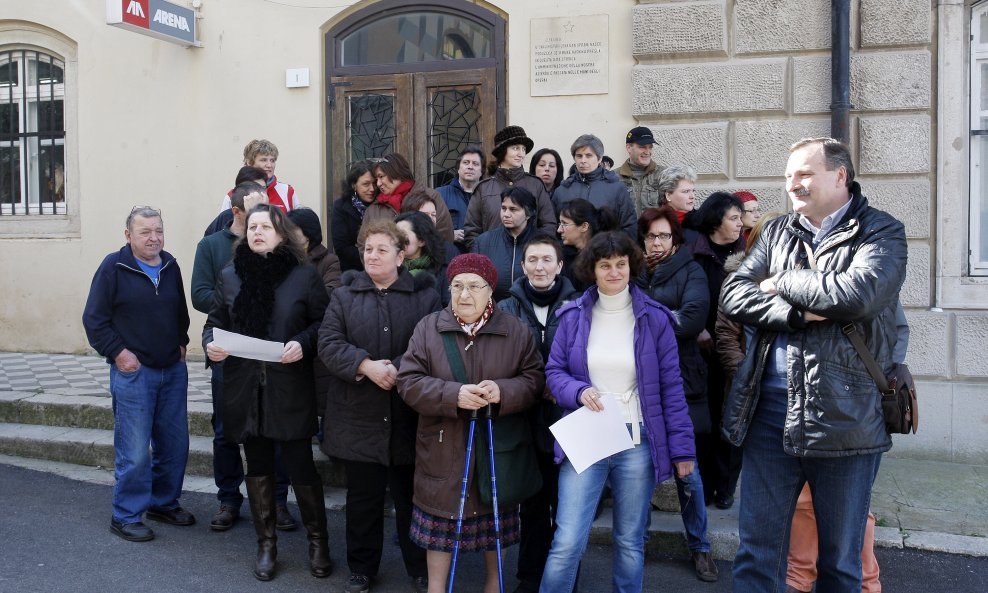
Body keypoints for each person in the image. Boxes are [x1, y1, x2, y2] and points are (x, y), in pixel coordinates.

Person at [720, 137, 907, 593]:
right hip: (768, 414)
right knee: (756, 556)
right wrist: (798, 311)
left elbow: (858, 296)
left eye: (804, 174)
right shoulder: (779, 231)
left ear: (840, 175)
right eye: (788, 176)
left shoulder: (881, 232)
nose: (793, 185)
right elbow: (734, 294)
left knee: (839, 564)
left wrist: (780, 281)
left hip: (847, 416)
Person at [539, 231, 696, 593]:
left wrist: (683, 449)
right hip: (588, 437)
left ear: (631, 266)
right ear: (591, 270)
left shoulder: (655, 319)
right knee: (567, 541)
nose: (613, 272)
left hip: (637, 440)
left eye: (620, 264)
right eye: (605, 265)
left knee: (629, 541)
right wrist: (577, 391)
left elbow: (672, 387)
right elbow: (554, 372)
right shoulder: (573, 315)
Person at [397, 253, 544, 593]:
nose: (465, 295)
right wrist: (453, 395)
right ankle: (436, 589)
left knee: (497, 524)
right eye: (457, 286)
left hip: (497, 447)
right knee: (439, 522)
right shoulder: (429, 328)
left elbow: (534, 379)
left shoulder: (515, 331)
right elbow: (408, 380)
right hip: (443, 445)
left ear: (491, 291)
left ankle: (495, 586)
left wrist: (502, 391)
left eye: (474, 287)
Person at [203, 204, 332, 581]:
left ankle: (318, 542)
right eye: (253, 226)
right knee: (257, 466)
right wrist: (212, 345)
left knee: (300, 465)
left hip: (289, 385)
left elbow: (323, 323)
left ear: (282, 234)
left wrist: (303, 343)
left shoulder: (304, 275)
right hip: (246, 387)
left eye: (266, 226)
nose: (258, 232)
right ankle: (266, 545)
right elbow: (214, 325)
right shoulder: (230, 276)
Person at [318, 219, 441, 593]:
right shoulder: (345, 295)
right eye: (368, 249)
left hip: (409, 414)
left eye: (382, 249)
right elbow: (328, 343)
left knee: (412, 500)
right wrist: (364, 365)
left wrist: (400, 369)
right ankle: (362, 569)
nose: (373, 256)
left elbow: (432, 343)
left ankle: (419, 568)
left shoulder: (425, 294)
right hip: (359, 415)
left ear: (401, 256)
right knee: (363, 500)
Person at [82, 206, 192, 542]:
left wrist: (182, 343)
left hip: (171, 370)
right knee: (134, 450)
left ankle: (162, 502)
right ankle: (126, 515)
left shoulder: (170, 265)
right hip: (135, 373)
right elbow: (94, 320)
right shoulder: (113, 267)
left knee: (175, 444)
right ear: (128, 235)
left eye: (158, 230)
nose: (154, 238)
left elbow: (180, 312)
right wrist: (118, 352)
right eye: (145, 232)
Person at [635, 206, 718, 582]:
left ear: (675, 239)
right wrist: (667, 316)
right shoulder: (634, 272)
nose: (656, 242)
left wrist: (649, 319)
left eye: (663, 235)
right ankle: (637, 541)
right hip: (637, 381)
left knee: (688, 469)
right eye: (651, 236)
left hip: (681, 379)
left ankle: (700, 547)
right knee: (638, 468)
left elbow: (694, 319)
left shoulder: (691, 271)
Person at [496, 234, 580, 593]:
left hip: (570, 419)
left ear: (560, 265)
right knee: (531, 506)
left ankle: (565, 580)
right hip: (525, 419)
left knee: (568, 509)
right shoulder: (506, 307)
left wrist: (559, 385)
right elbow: (500, 359)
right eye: (533, 260)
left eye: (547, 259)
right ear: (522, 265)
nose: (540, 267)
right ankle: (529, 577)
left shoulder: (579, 304)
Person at [192, 182, 270, 532]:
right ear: (237, 211)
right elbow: (200, 294)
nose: (262, 221)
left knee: (270, 429)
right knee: (225, 431)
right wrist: (236, 307)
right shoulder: (211, 246)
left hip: (267, 357)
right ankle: (228, 498)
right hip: (228, 355)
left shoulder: (273, 243)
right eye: (255, 211)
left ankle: (275, 501)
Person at [683, 191, 746, 510]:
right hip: (699, 351)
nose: (740, 223)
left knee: (732, 420)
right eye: (734, 218)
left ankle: (725, 486)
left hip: (734, 351)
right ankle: (703, 485)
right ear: (716, 220)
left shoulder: (747, 254)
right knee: (703, 423)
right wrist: (697, 329)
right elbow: (682, 300)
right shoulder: (693, 252)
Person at [464, 125, 557, 248]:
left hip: (529, 260)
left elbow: (548, 224)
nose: (521, 154)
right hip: (492, 260)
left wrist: (537, 251)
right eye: (515, 148)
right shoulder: (483, 188)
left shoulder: (535, 185)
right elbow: (472, 230)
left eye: (523, 149)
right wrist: (482, 256)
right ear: (502, 151)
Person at [551, 133, 637, 238]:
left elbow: (629, 226)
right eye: (579, 156)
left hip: (605, 251)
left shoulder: (617, 189)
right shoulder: (563, 190)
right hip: (569, 251)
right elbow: (553, 227)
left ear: (600, 158)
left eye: (588, 155)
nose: (583, 160)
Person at [364, 153, 455, 242]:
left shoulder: (431, 196)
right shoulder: (374, 209)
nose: (378, 184)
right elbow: (363, 244)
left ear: (397, 173)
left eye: (381, 176)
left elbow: (445, 235)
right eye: (376, 179)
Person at [471, 187, 539, 301]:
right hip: (494, 311)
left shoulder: (544, 243)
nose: (506, 214)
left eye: (513, 209)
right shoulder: (483, 242)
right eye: (503, 208)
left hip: (532, 310)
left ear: (528, 214)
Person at [556, 198, 619, 293]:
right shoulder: (561, 254)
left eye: (565, 224)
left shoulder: (606, 255)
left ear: (584, 226)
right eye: (560, 223)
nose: (559, 230)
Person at [220, 139, 299, 212]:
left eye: (272, 160)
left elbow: (299, 224)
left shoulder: (287, 191)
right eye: (263, 160)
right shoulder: (232, 196)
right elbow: (224, 226)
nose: (269, 165)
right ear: (249, 163)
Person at [396, 211, 454, 306]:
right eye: (393, 234)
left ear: (422, 241)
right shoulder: (388, 269)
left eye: (402, 234)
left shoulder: (443, 274)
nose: (396, 239)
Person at [332, 159, 377, 272]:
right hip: (353, 272)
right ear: (354, 185)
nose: (372, 189)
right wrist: (371, 257)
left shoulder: (383, 204)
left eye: (374, 183)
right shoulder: (341, 206)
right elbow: (341, 248)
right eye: (366, 184)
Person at [436, 147, 485, 245]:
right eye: (466, 162)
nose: (470, 167)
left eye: (475, 164)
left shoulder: (489, 197)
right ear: (458, 168)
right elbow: (426, 227)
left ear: (482, 171)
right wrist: (448, 235)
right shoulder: (440, 194)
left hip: (483, 254)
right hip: (451, 255)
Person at [205, 166, 267, 236]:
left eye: (264, 188)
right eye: (255, 188)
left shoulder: (274, 216)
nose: (261, 193)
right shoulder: (226, 216)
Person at [616, 126, 665, 214]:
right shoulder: (613, 177)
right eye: (642, 147)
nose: (647, 152)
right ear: (628, 148)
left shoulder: (664, 174)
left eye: (650, 147)